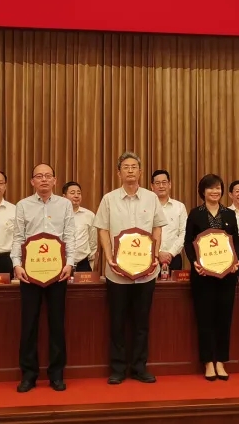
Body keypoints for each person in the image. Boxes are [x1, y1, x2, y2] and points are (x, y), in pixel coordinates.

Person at [94, 152, 167, 385]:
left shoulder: (151, 198)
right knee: (117, 322)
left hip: (146, 272)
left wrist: (155, 254)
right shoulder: (109, 199)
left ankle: (139, 367)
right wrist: (109, 257)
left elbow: (157, 227)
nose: (130, 170)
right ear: (119, 173)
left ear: (140, 172)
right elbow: (103, 229)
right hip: (117, 273)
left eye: (134, 166)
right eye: (125, 167)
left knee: (141, 323)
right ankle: (117, 368)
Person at [12, 164, 77, 393]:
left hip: (58, 272)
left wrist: (70, 264)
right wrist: (17, 264)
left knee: (57, 324)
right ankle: (28, 375)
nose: (44, 180)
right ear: (32, 181)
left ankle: (56, 374)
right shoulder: (23, 205)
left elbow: (69, 236)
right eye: (39, 176)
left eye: (48, 176)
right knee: (29, 324)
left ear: (55, 180)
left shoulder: (65, 205)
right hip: (29, 273)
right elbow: (18, 237)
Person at [183, 174, 239, 381]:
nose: (215, 191)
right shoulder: (195, 214)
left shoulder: (229, 214)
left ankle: (221, 361)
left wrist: (236, 261)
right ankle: (208, 362)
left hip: (227, 275)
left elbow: (236, 242)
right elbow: (188, 242)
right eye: (210, 188)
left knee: (224, 319)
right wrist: (194, 262)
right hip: (203, 276)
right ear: (203, 191)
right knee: (205, 319)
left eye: (218, 188)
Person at [152, 169, 188, 272]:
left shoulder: (179, 207)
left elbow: (184, 233)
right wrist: (158, 252)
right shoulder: (147, 207)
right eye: (157, 183)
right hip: (151, 257)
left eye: (164, 182)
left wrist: (171, 253)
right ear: (152, 186)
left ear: (170, 184)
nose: (161, 186)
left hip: (174, 257)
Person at [63, 181, 98, 272]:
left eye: (79, 193)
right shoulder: (58, 215)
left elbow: (93, 241)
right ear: (64, 197)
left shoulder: (89, 215)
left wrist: (90, 259)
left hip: (83, 264)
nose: (76, 196)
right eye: (72, 193)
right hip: (62, 263)